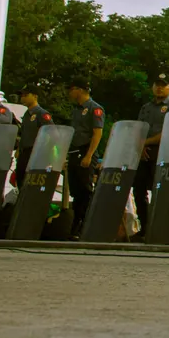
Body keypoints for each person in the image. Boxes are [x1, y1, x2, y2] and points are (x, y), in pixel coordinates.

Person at [134, 73, 169, 240]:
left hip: (162, 153)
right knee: (138, 190)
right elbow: (139, 128)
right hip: (144, 153)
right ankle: (144, 227)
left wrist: (145, 142)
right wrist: (141, 145)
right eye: (157, 84)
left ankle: (158, 226)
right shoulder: (145, 107)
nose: (159, 87)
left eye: (163, 84)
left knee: (159, 190)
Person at [66, 77, 105, 239]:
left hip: (86, 151)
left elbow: (97, 133)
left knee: (85, 190)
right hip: (74, 152)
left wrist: (89, 155)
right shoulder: (76, 109)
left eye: (72, 89)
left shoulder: (94, 109)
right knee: (76, 191)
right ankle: (75, 225)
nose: (69, 93)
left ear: (80, 90)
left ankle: (84, 225)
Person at [16, 87, 53, 188]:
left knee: (31, 182)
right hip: (24, 152)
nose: (23, 98)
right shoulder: (27, 114)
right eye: (22, 96)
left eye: (26, 95)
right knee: (20, 180)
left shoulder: (42, 114)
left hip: (36, 152)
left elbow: (52, 133)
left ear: (35, 96)